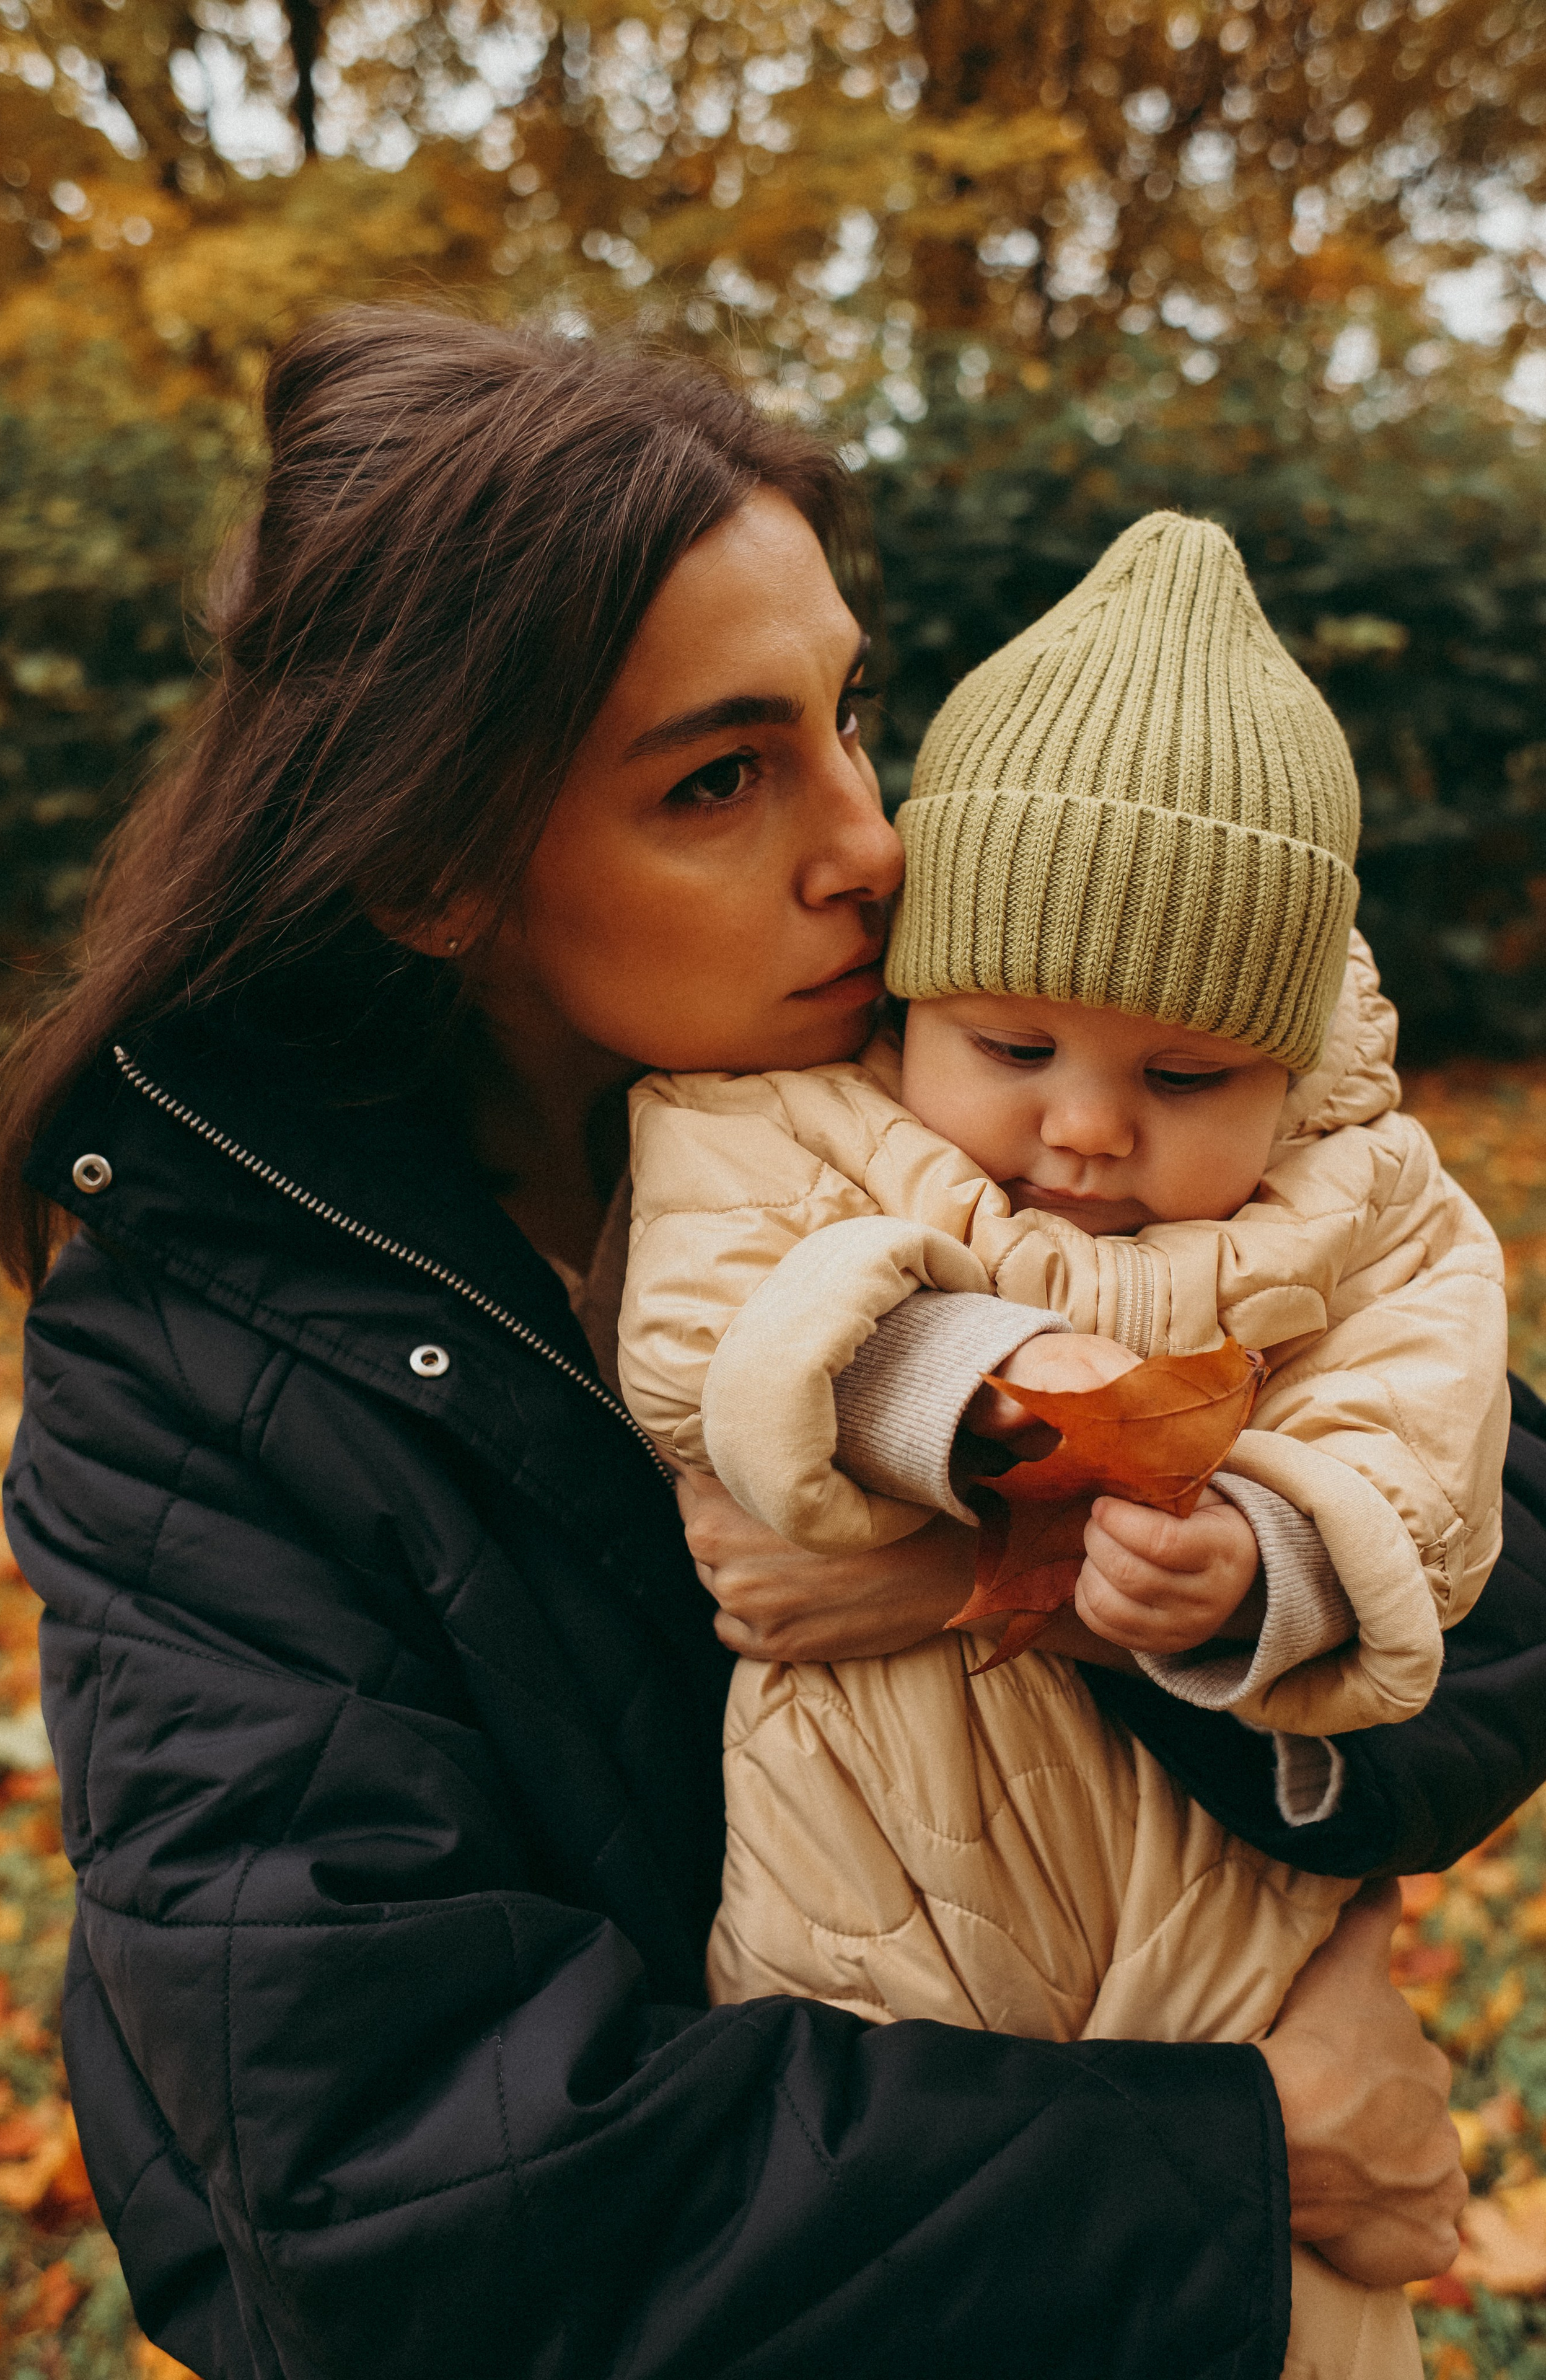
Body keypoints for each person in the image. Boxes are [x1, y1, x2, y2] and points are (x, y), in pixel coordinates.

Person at [0, 304, 1521, 2380]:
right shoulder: (197, 1369)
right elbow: (378, 2181)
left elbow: (1497, 1552)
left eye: (847, 717)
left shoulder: (996, 1068)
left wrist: (1033, 1573)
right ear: (437, 863)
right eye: (722, 777)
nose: (870, 845)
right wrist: (1235, 2158)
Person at [616, 511, 1510, 2374]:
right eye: (1011, 1046)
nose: (1085, 1131)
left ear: (1284, 1066)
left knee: (1307, 2319)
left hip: (1231, 1930)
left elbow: (1427, 1436)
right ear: (918, 991)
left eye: (1184, 1079)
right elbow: (714, 1331)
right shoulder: (790, 1124)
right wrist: (992, 1417)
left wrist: (1259, 1560)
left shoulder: (1368, 1204)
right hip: (873, 1888)